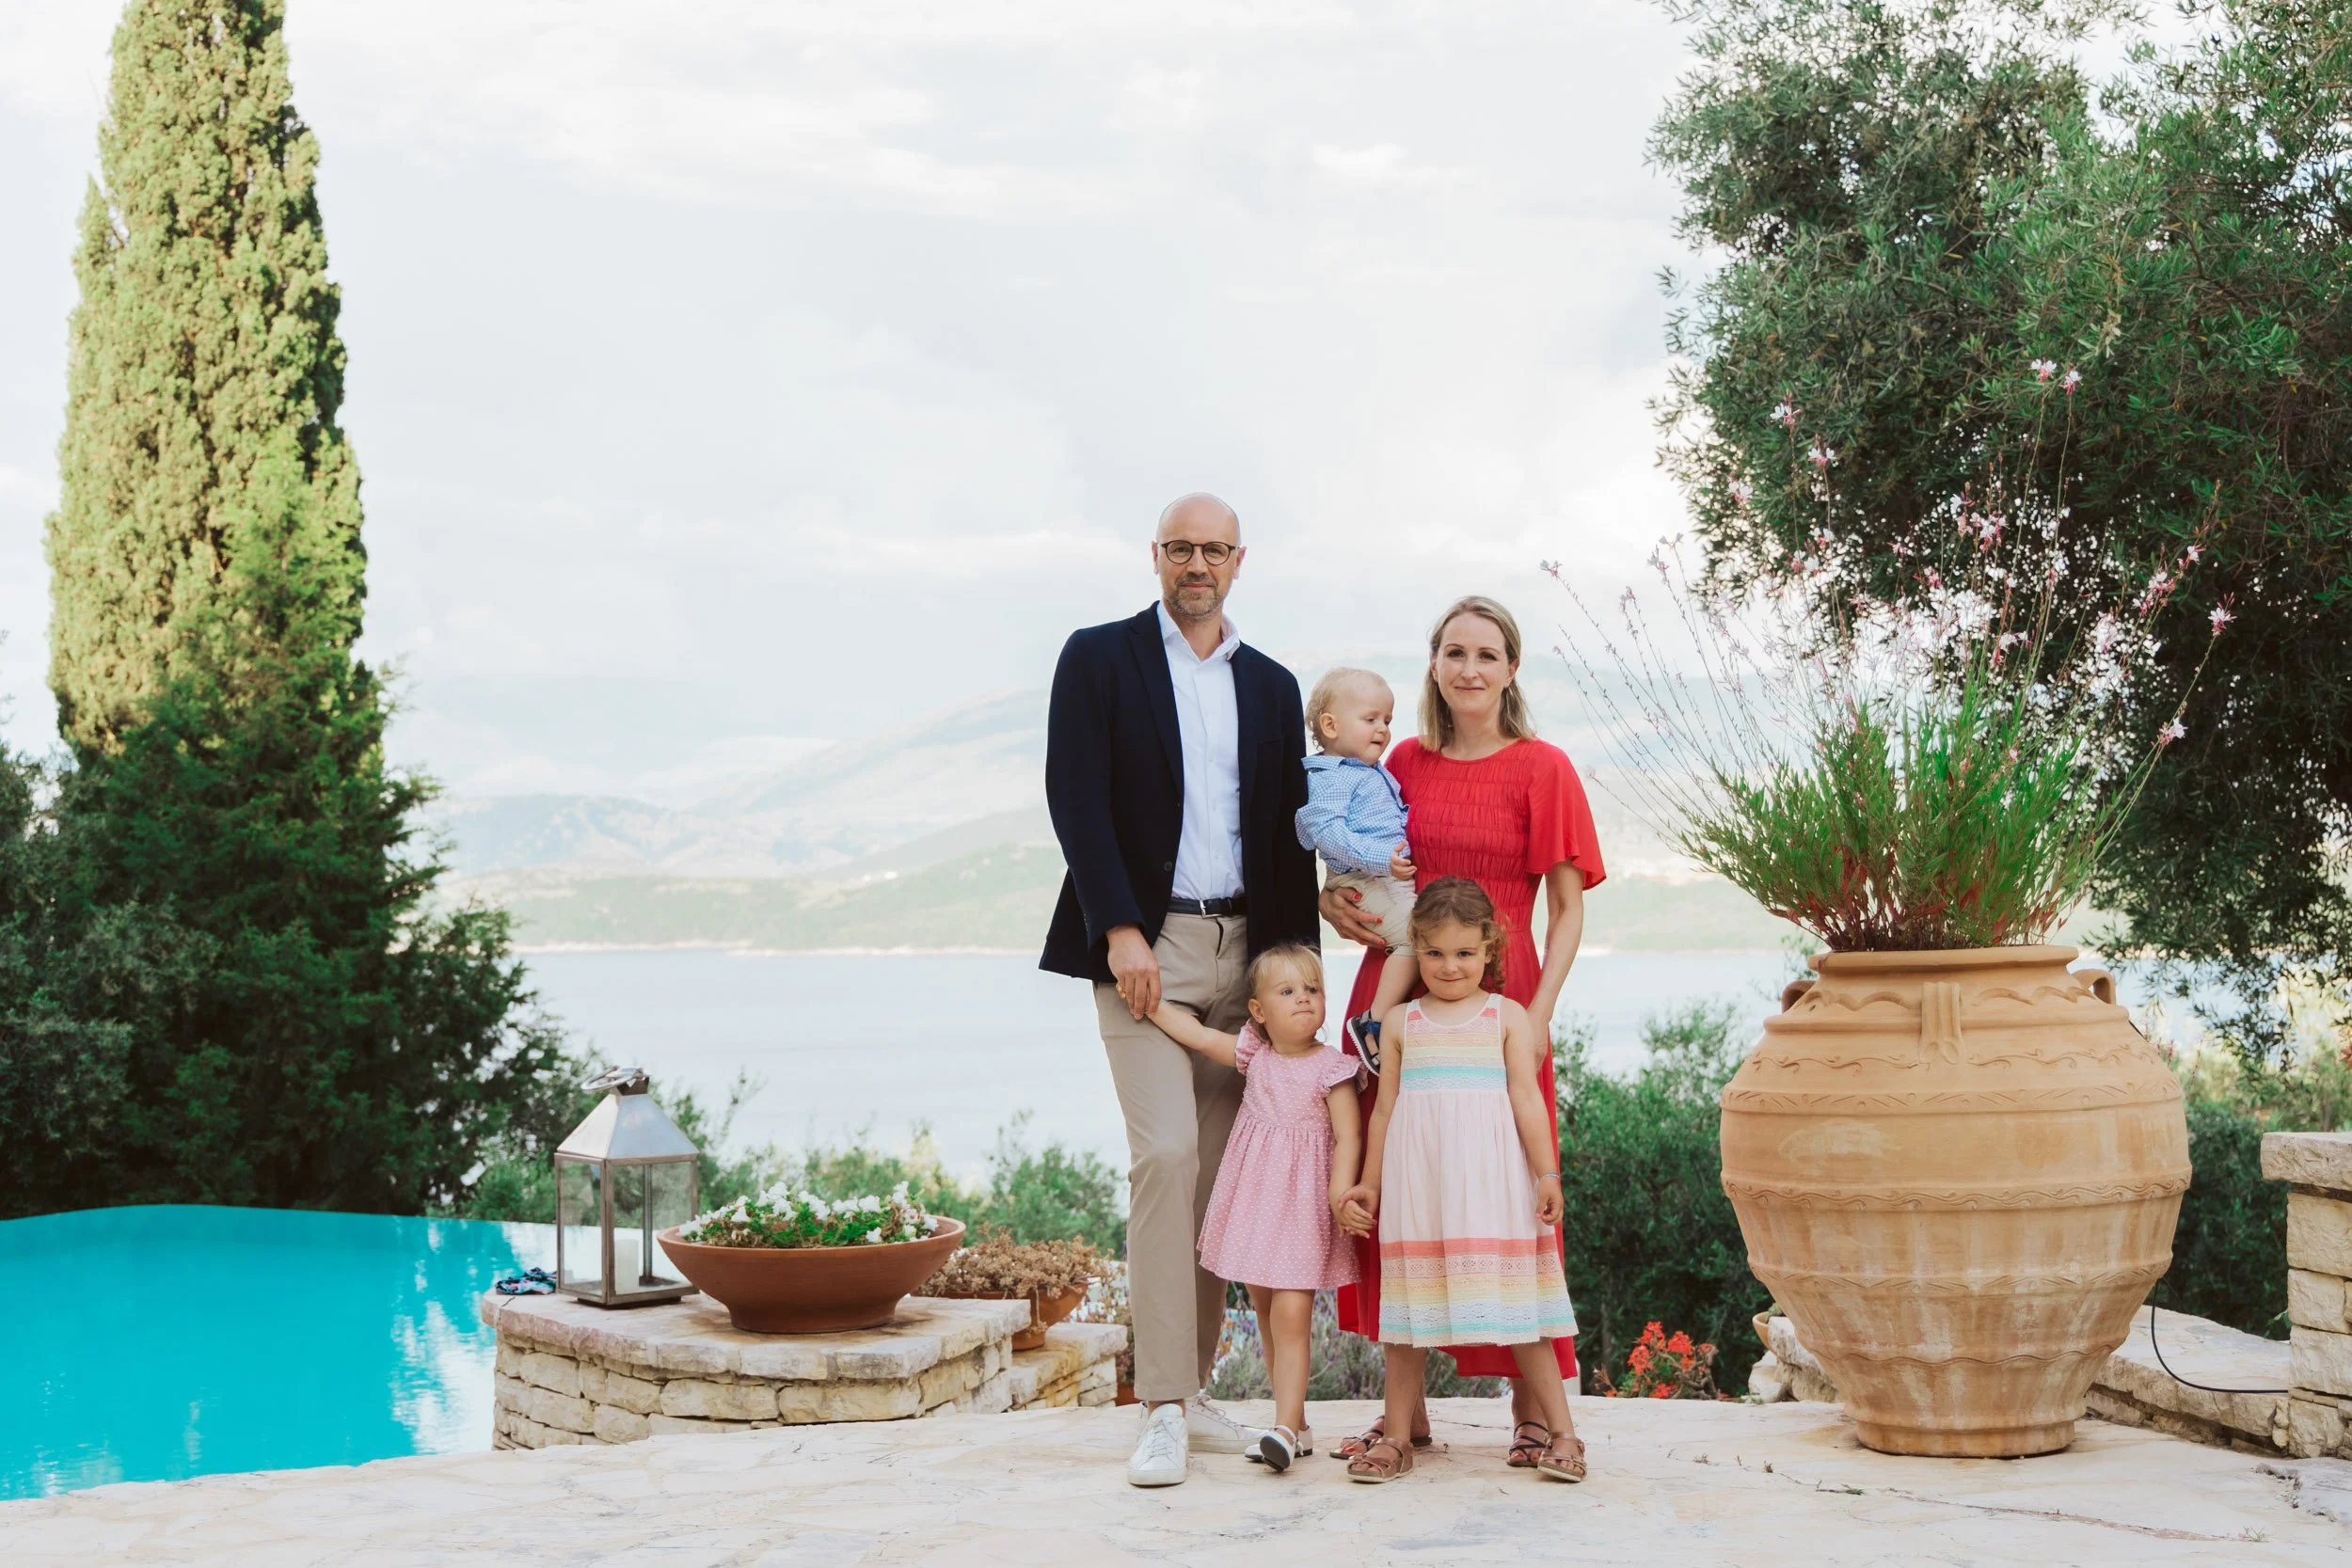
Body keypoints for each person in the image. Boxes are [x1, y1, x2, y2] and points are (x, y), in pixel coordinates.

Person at [1040, 492, 1322, 1488]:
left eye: (1213, 549)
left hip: (1248, 951)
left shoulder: (1273, 685)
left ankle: (1193, 1391)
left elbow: (1286, 830)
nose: (1196, 564)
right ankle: (1160, 1402)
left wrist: (1299, 971)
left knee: (1214, 1176)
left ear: (1240, 561)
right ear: (1155, 555)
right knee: (1165, 1154)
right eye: (1180, 547)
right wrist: (1119, 928)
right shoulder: (1098, 658)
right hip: (1146, 946)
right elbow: (1075, 795)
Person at [1324, 594, 1605, 1472]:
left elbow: (1567, 911)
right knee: (1397, 1189)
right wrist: (1331, 899)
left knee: (1514, 1196)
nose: (1470, 668)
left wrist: (1540, 1013)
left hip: (1503, 1006)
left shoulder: (1544, 768)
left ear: (1512, 668)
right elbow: (1356, 856)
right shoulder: (1402, 759)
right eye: (1455, 652)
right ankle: (1402, 1417)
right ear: (1434, 663)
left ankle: (1534, 1411)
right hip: (1396, 999)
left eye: (1487, 654)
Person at [1339, 878, 1585, 1483]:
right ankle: (1398, 1438)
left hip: (1494, 1190)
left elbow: (1527, 1101)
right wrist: (1370, 1184)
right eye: (1435, 953)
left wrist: (1547, 1174)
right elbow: (1385, 1111)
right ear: (1416, 949)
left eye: (1465, 953)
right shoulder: (1401, 1022)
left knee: (1523, 1312)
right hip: (1419, 1190)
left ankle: (1563, 1434)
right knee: (1407, 1320)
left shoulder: (1508, 1017)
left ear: (1489, 948)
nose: (1450, 967)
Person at [1150, 943, 1366, 1473]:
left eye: (1312, 989)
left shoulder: (1332, 1069)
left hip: (1303, 1209)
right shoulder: (1255, 1054)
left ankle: (1285, 1429)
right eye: (1287, 991)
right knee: (1266, 1312)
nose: (1304, 999)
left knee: (1292, 1313)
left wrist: (1341, 1192)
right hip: (1255, 1206)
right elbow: (1200, 1036)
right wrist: (1152, 1005)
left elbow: (1350, 1135)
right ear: (1258, 1011)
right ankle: (1295, 1424)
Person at [1294, 668, 1419, 1069]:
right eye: (1370, 719)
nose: (1383, 729)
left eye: (1387, 720)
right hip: (1363, 878)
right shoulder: (1330, 778)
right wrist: (1383, 858)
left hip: (1384, 876)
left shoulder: (1365, 770)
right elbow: (1327, 834)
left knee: (1422, 935)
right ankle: (1372, 1024)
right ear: (1330, 726)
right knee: (1416, 939)